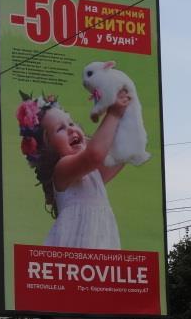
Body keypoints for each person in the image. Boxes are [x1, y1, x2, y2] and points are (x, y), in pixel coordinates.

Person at [16, 89, 130, 249]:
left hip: (100, 250)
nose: (70, 129)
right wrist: (114, 114)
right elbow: (95, 155)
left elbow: (123, 153)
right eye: (60, 129)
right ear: (47, 148)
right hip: (74, 254)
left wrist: (126, 110)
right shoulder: (62, 169)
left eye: (71, 123)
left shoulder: (93, 173)